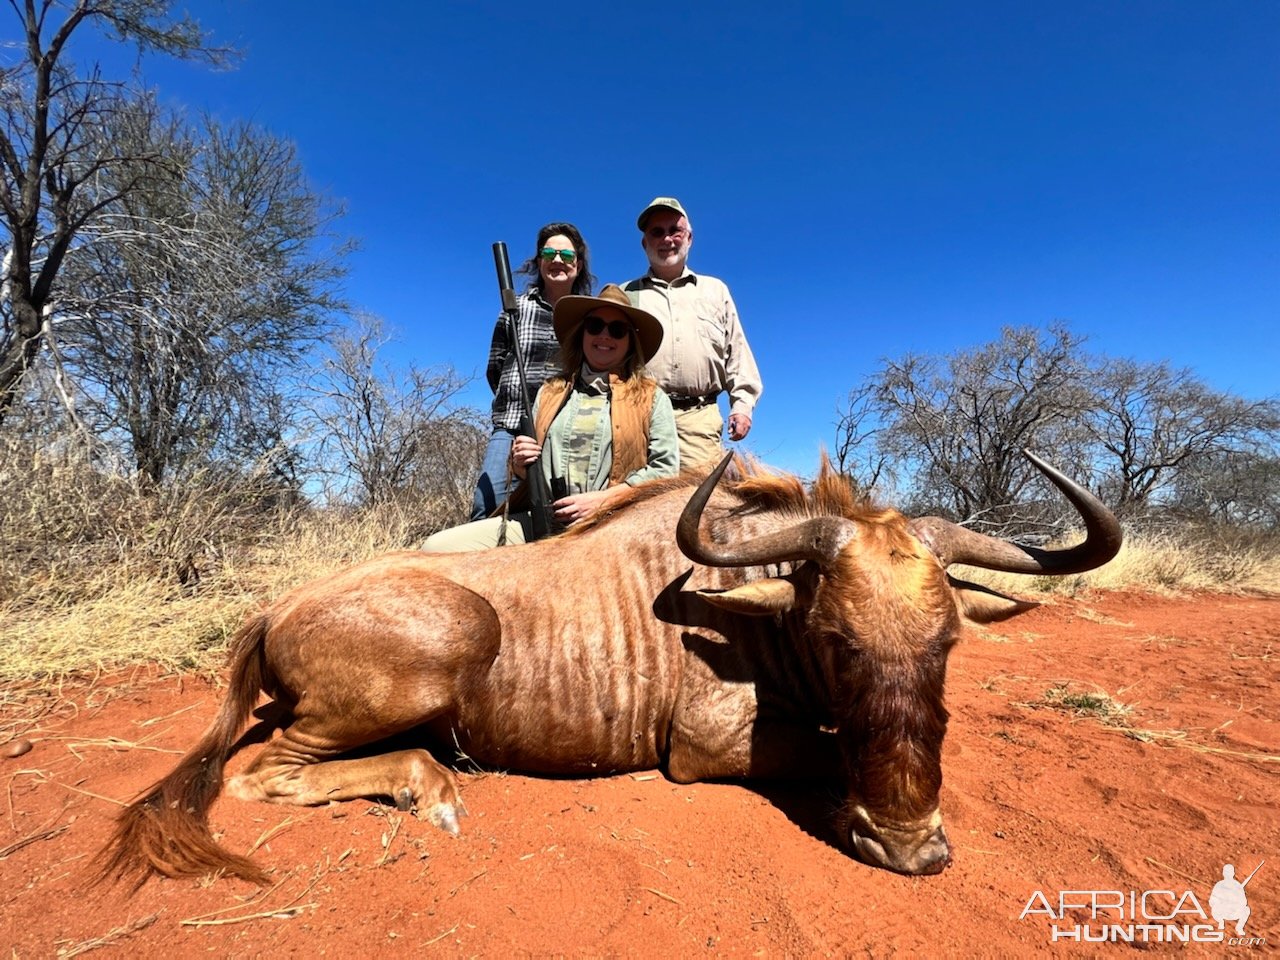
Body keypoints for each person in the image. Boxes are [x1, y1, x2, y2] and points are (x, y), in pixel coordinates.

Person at [424, 285, 677, 551]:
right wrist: (519, 461)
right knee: (437, 548)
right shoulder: (550, 391)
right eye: (595, 325)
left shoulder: (651, 397)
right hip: (544, 523)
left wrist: (605, 501)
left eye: (617, 329)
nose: (604, 335)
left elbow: (665, 470)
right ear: (582, 333)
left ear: (629, 342)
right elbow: (524, 471)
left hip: (613, 526)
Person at [622, 196, 762, 468]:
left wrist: (742, 406)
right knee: (635, 504)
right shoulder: (625, 294)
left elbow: (737, 352)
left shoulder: (714, 290)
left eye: (675, 231)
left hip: (698, 421)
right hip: (637, 419)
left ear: (690, 239)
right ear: (644, 243)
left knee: (703, 505)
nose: (667, 239)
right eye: (657, 232)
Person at [472, 222, 597, 520]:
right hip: (512, 424)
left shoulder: (586, 318)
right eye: (549, 253)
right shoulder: (515, 308)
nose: (557, 260)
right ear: (539, 261)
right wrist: (513, 398)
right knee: (485, 505)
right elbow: (496, 367)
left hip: (558, 429)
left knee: (552, 512)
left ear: (577, 266)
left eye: (566, 255)